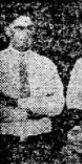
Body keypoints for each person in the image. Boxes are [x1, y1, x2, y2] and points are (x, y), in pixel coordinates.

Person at [0, 15, 65, 155]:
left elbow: (58, 104)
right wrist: (38, 107)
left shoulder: (45, 64)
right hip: (5, 137)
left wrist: (19, 104)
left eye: (30, 28)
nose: (26, 33)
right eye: (19, 28)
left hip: (41, 135)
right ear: (7, 31)